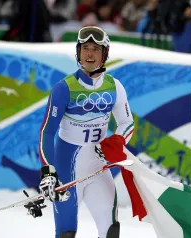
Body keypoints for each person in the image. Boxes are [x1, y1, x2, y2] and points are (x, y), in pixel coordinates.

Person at [38, 26, 135, 238]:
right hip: (66, 174)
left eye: (95, 49)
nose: (89, 54)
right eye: (85, 48)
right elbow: (47, 131)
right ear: (78, 53)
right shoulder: (63, 88)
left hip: (97, 169)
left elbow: (127, 122)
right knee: (66, 234)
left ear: (104, 54)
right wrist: (48, 171)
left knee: (111, 231)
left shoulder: (115, 87)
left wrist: (116, 142)